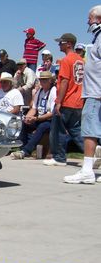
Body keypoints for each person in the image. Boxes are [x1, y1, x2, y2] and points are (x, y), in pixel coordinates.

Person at [64, 5, 101, 183]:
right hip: (95, 91)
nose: (88, 21)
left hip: (96, 93)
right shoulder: (97, 38)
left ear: (98, 19)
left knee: (89, 131)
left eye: (90, 18)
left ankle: (87, 171)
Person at [44, 33, 85, 167]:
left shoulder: (66, 60)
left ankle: (60, 158)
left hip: (67, 100)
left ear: (69, 44)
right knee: (75, 130)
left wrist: (59, 101)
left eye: (61, 42)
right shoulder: (81, 61)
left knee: (58, 130)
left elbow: (64, 82)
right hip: (78, 100)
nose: (59, 45)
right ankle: (92, 153)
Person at [11, 71, 57, 159]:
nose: (42, 82)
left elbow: (51, 113)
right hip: (38, 117)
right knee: (24, 123)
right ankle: (22, 148)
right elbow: (34, 108)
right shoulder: (39, 91)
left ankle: (26, 151)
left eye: (45, 80)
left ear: (50, 81)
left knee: (42, 127)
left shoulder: (53, 91)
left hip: (50, 120)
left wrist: (36, 118)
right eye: (41, 80)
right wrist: (28, 117)